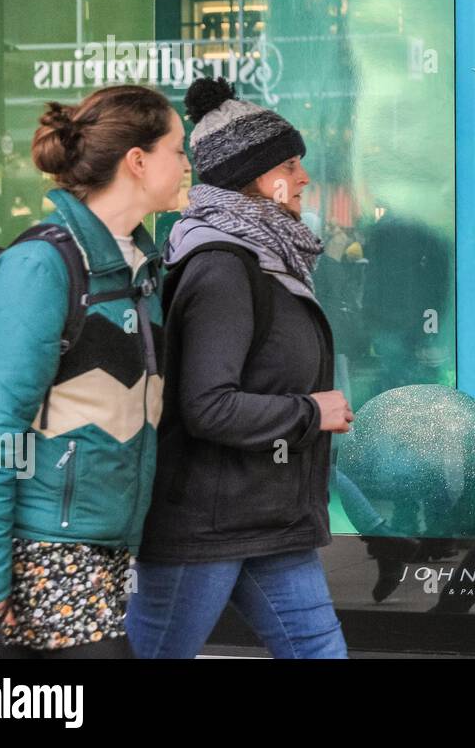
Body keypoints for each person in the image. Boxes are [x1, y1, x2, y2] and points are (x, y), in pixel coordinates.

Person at [0, 85, 188, 658]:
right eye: (178, 149)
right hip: (47, 553)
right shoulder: (41, 266)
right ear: (138, 160)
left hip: (106, 550)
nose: (186, 164)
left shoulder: (138, 271)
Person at [126, 78, 353, 659]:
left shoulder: (270, 257)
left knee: (320, 652)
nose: (303, 178)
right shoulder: (224, 266)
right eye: (290, 164)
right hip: (207, 524)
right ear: (254, 176)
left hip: (265, 517)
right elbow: (206, 406)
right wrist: (311, 412)